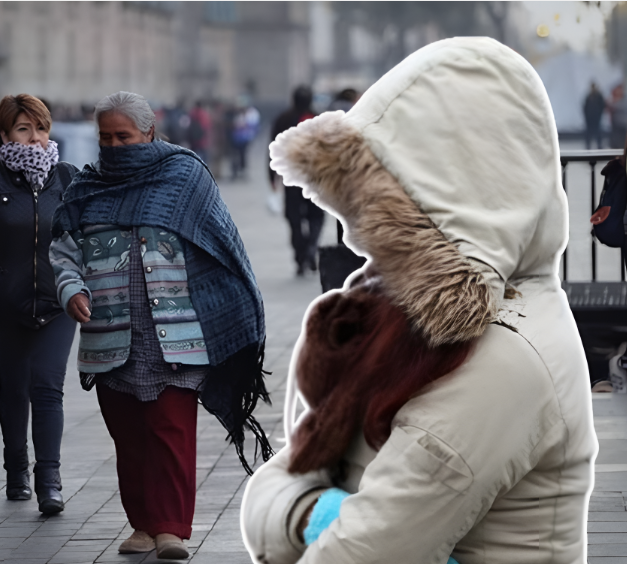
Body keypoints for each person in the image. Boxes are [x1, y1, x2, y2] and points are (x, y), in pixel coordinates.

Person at [242, 37, 596, 563]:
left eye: (389, 202)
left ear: (455, 197)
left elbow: (364, 553)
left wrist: (307, 512)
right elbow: (277, 481)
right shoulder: (371, 311)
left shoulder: (503, 359)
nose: (355, 235)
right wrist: (318, 515)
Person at [50, 91, 271, 560]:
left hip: (177, 334)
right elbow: (64, 252)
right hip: (109, 336)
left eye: (123, 136)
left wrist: (227, 308)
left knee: (170, 431)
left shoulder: (184, 176)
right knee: (128, 436)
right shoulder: (85, 189)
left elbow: (218, 244)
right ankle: (142, 526)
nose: (113, 146)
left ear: (149, 133)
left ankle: (171, 528)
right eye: (105, 138)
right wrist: (71, 290)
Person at [0, 94, 79, 514]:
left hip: (57, 305)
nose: (35, 138)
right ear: (5, 134)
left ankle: (50, 481)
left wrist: (75, 281)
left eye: (41, 128)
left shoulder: (67, 177)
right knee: (14, 388)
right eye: (24, 129)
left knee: (47, 388)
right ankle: (16, 469)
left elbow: (83, 235)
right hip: (3, 308)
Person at [270, 86, 324, 276]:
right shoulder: (319, 119)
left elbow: (272, 150)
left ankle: (300, 256)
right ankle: (311, 249)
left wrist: (272, 177)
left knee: (294, 219)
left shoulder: (283, 120)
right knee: (316, 217)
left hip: (292, 178)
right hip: (315, 178)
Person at [231, 96, 260, 180]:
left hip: (245, 138)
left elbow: (253, 125)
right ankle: (236, 171)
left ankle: (242, 170)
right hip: (237, 138)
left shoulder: (252, 113)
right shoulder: (237, 114)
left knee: (243, 154)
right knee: (237, 155)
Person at [584, 82, 606, 150]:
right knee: (589, 132)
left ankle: (599, 145)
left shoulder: (598, 96)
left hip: (596, 117)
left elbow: (602, 105)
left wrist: (599, 114)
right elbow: (585, 107)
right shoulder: (589, 96)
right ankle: (588, 145)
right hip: (590, 118)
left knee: (598, 131)